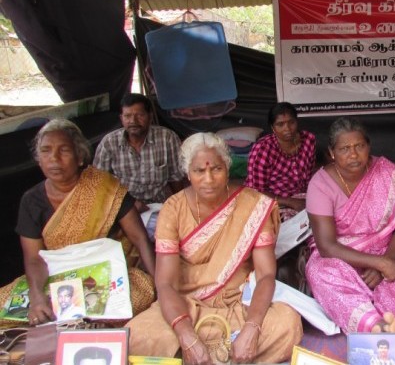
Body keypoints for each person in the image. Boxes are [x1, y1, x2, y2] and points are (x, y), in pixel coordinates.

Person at [126, 133, 302, 364]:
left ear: (227, 169)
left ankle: (210, 354)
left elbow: (266, 275)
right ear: (188, 173)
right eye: (199, 171)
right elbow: (165, 283)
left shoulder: (253, 205)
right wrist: (186, 335)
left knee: (288, 324)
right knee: (136, 337)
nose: (208, 179)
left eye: (216, 169)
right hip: (186, 305)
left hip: (237, 304)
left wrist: (252, 327)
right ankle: (224, 356)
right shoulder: (173, 209)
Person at [0, 118, 155, 327]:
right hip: (54, 278)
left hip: (104, 275)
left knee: (139, 296)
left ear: (80, 156)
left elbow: (140, 238)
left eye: (63, 150)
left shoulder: (106, 188)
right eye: (46, 151)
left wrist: (160, 285)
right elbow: (34, 258)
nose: (54, 158)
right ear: (38, 159)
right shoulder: (31, 200)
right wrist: (37, 298)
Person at [305, 117, 395, 333]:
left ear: (369, 146)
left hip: (386, 251)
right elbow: (326, 246)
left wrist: (385, 264)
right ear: (331, 152)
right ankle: (374, 326)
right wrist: (380, 264)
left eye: (359, 146)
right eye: (344, 149)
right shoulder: (320, 184)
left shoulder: (386, 173)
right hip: (340, 257)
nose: (353, 154)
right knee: (320, 272)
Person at [94, 94, 185, 238]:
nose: (133, 121)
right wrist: (128, 203)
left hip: (159, 205)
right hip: (124, 208)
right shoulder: (109, 143)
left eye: (140, 115)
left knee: (174, 232)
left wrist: (180, 207)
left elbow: (176, 177)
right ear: (121, 118)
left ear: (150, 117)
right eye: (127, 116)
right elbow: (99, 183)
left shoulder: (167, 138)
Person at [245, 102, 316, 222]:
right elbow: (256, 192)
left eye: (291, 122)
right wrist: (290, 202)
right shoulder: (262, 149)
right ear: (272, 127)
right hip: (272, 201)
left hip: (301, 197)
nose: (287, 129)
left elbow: (309, 175)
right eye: (280, 124)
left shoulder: (308, 140)